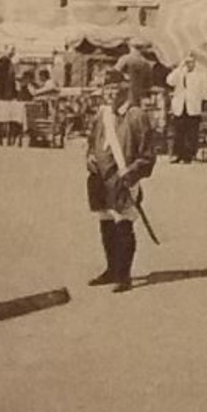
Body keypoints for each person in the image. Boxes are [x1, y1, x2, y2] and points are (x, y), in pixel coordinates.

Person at [85, 70, 158, 293]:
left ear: (125, 89)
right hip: (100, 177)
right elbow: (91, 142)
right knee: (106, 221)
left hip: (123, 178)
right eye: (106, 89)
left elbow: (147, 155)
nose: (108, 93)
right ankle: (111, 269)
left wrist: (131, 174)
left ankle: (124, 275)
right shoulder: (102, 114)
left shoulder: (137, 116)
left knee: (123, 224)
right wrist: (90, 157)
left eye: (113, 88)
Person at [165, 55, 207, 165]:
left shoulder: (201, 75)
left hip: (193, 106)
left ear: (195, 62)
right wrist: (179, 68)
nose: (189, 64)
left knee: (191, 132)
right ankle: (178, 154)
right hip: (180, 106)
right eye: (187, 62)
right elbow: (169, 81)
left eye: (191, 62)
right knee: (179, 131)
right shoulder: (180, 73)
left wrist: (198, 96)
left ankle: (189, 155)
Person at [116, 41, 156, 108]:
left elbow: (114, 74)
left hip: (125, 95)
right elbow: (149, 84)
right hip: (140, 96)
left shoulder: (125, 59)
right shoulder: (146, 63)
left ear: (130, 46)